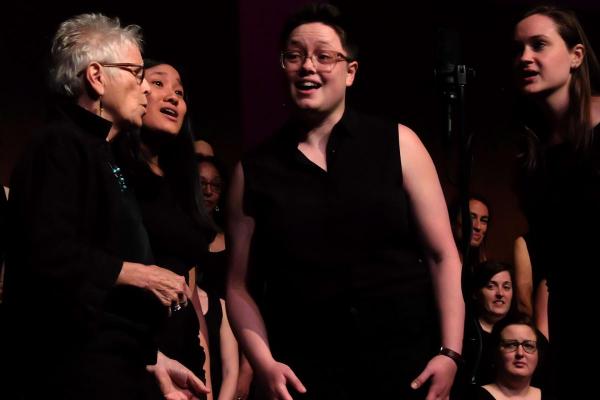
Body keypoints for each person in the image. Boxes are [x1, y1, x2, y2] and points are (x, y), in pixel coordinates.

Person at [226, 4, 464, 399]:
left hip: (405, 368)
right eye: (294, 55)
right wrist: (264, 362)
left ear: (350, 71)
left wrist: (450, 353)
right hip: (306, 374)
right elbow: (238, 286)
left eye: (323, 55)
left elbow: (443, 255)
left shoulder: (398, 142)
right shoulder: (253, 170)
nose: (307, 66)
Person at [1, 14, 207, 399]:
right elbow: (46, 254)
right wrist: (141, 274)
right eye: (136, 72)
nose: (145, 88)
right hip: (69, 374)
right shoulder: (59, 145)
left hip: (114, 367)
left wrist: (153, 359)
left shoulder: (102, 154)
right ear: (96, 77)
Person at [115, 59, 219, 396]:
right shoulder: (114, 170)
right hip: (131, 353)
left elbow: (185, 286)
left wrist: (205, 365)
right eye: (159, 84)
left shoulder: (181, 184)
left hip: (183, 351)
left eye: (180, 92)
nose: (172, 97)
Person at [512, 5, 600, 398]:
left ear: (576, 56)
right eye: (518, 49)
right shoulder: (533, 156)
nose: (524, 58)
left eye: (539, 45)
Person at [195, 155, 240, 399]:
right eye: (201, 184)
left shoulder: (233, 241)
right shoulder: (179, 238)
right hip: (195, 327)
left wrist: (247, 369)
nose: (208, 191)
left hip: (230, 333)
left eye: (215, 185)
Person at [457, 261, 517, 397]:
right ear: (476, 293)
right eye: (491, 286)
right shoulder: (462, 331)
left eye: (507, 287)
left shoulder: (521, 333)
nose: (500, 293)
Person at [472, 315, 543, 400]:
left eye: (528, 345)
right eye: (511, 345)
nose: (520, 353)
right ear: (495, 352)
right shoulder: (474, 397)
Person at [451, 195, 491, 294]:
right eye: (471, 217)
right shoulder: (438, 264)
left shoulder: (479, 266)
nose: (478, 226)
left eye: (484, 221)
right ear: (454, 221)